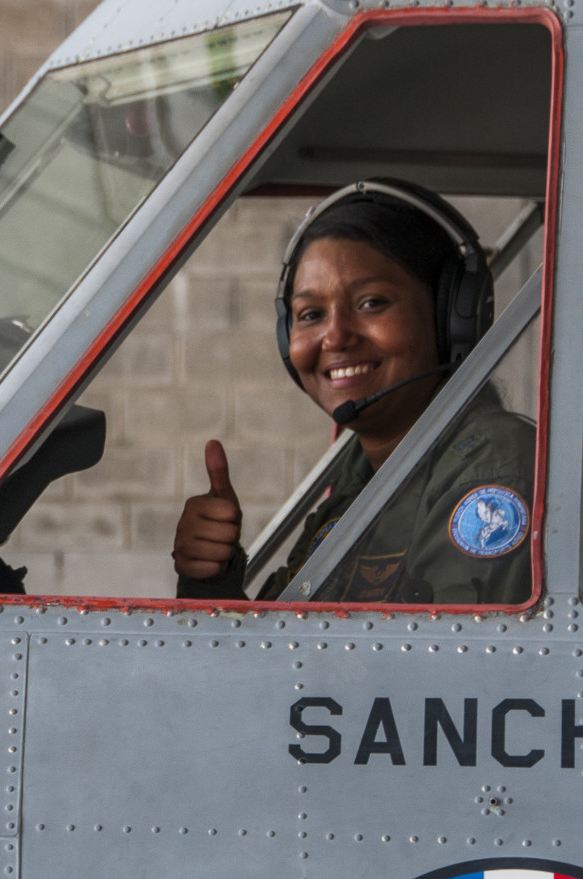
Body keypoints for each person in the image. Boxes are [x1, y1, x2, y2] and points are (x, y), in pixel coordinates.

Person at [172, 179, 535, 604]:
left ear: (451, 317)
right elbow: (284, 636)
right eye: (311, 314)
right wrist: (210, 579)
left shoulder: (492, 470)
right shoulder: (359, 478)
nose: (335, 337)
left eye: (371, 303)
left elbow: (442, 645)